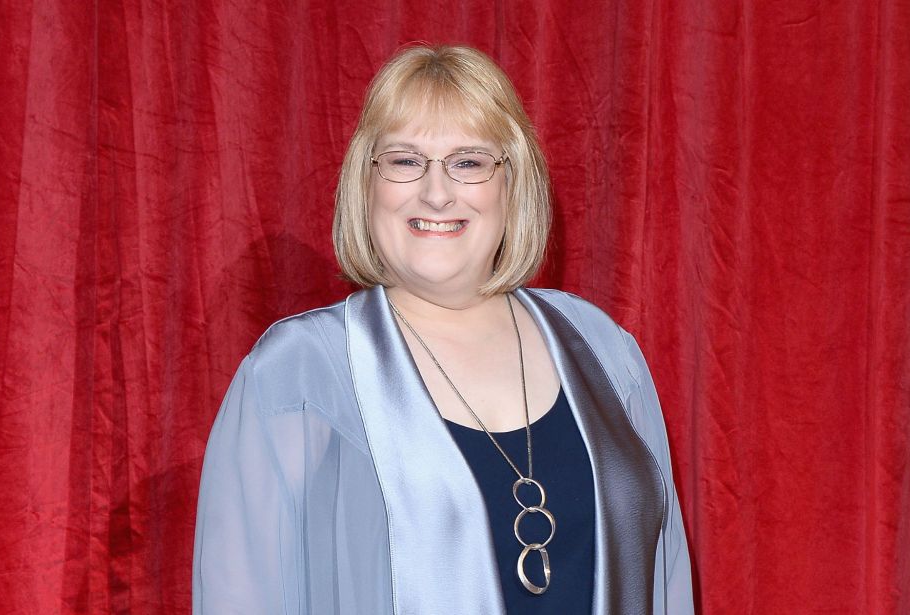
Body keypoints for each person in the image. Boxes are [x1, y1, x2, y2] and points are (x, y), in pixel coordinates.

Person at [192, 45, 693, 615]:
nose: (435, 192)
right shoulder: (297, 375)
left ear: (511, 182)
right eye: (405, 161)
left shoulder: (603, 350)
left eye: (468, 162)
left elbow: (666, 581)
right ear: (367, 182)